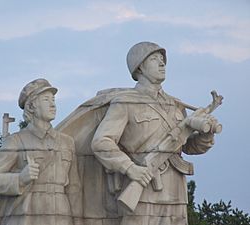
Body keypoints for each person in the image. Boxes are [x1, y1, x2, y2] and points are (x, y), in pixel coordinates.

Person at [90, 42, 218, 225]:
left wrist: (206, 135)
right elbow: (102, 142)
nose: (162, 64)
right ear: (139, 67)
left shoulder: (175, 105)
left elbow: (188, 145)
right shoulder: (126, 102)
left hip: (176, 194)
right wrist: (129, 168)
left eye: (163, 60)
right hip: (143, 191)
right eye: (154, 59)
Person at [0, 78, 82, 225]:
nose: (53, 104)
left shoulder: (67, 142)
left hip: (61, 214)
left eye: (53, 99)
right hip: (27, 214)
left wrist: (78, 220)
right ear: (31, 106)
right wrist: (20, 179)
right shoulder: (16, 141)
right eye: (46, 100)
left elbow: (74, 187)